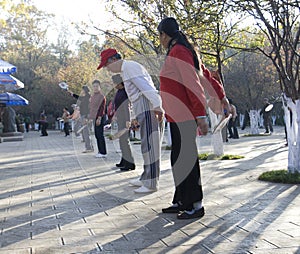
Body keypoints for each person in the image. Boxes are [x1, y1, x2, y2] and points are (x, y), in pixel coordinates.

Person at [157, 17, 230, 219]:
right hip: (175, 117)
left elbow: (192, 83)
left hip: (184, 116)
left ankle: (195, 205)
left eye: (160, 36)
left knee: (186, 160)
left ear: (164, 34)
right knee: (178, 159)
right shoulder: (180, 50)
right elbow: (204, 75)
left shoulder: (179, 51)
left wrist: (200, 115)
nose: (160, 40)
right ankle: (181, 200)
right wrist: (222, 96)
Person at [97, 48, 164, 194]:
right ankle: (146, 177)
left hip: (147, 104)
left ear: (113, 60)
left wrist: (157, 106)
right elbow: (134, 95)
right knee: (145, 145)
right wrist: (134, 115)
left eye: (106, 66)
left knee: (150, 146)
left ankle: (151, 183)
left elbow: (146, 88)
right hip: (141, 105)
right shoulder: (126, 70)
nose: (107, 70)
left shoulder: (130, 67)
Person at [112, 74, 135, 171]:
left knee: (125, 141)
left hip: (125, 120)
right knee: (122, 142)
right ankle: (124, 161)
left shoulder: (125, 92)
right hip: (120, 119)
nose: (114, 85)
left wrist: (128, 120)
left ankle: (130, 163)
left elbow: (127, 107)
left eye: (115, 82)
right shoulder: (119, 91)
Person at [68, 86, 93, 153]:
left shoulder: (88, 97)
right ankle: (90, 147)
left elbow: (88, 107)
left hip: (85, 116)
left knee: (86, 132)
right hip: (84, 115)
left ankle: (89, 148)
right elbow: (78, 97)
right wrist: (72, 94)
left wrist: (86, 117)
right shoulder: (85, 97)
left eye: (82, 90)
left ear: (84, 90)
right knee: (86, 132)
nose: (81, 91)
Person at [89, 80, 107, 158]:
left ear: (100, 87)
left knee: (100, 135)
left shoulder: (101, 96)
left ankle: (103, 152)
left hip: (99, 117)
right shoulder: (93, 96)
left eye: (97, 86)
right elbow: (91, 108)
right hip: (94, 117)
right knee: (97, 135)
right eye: (94, 86)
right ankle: (100, 151)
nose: (95, 88)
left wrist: (99, 118)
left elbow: (102, 108)